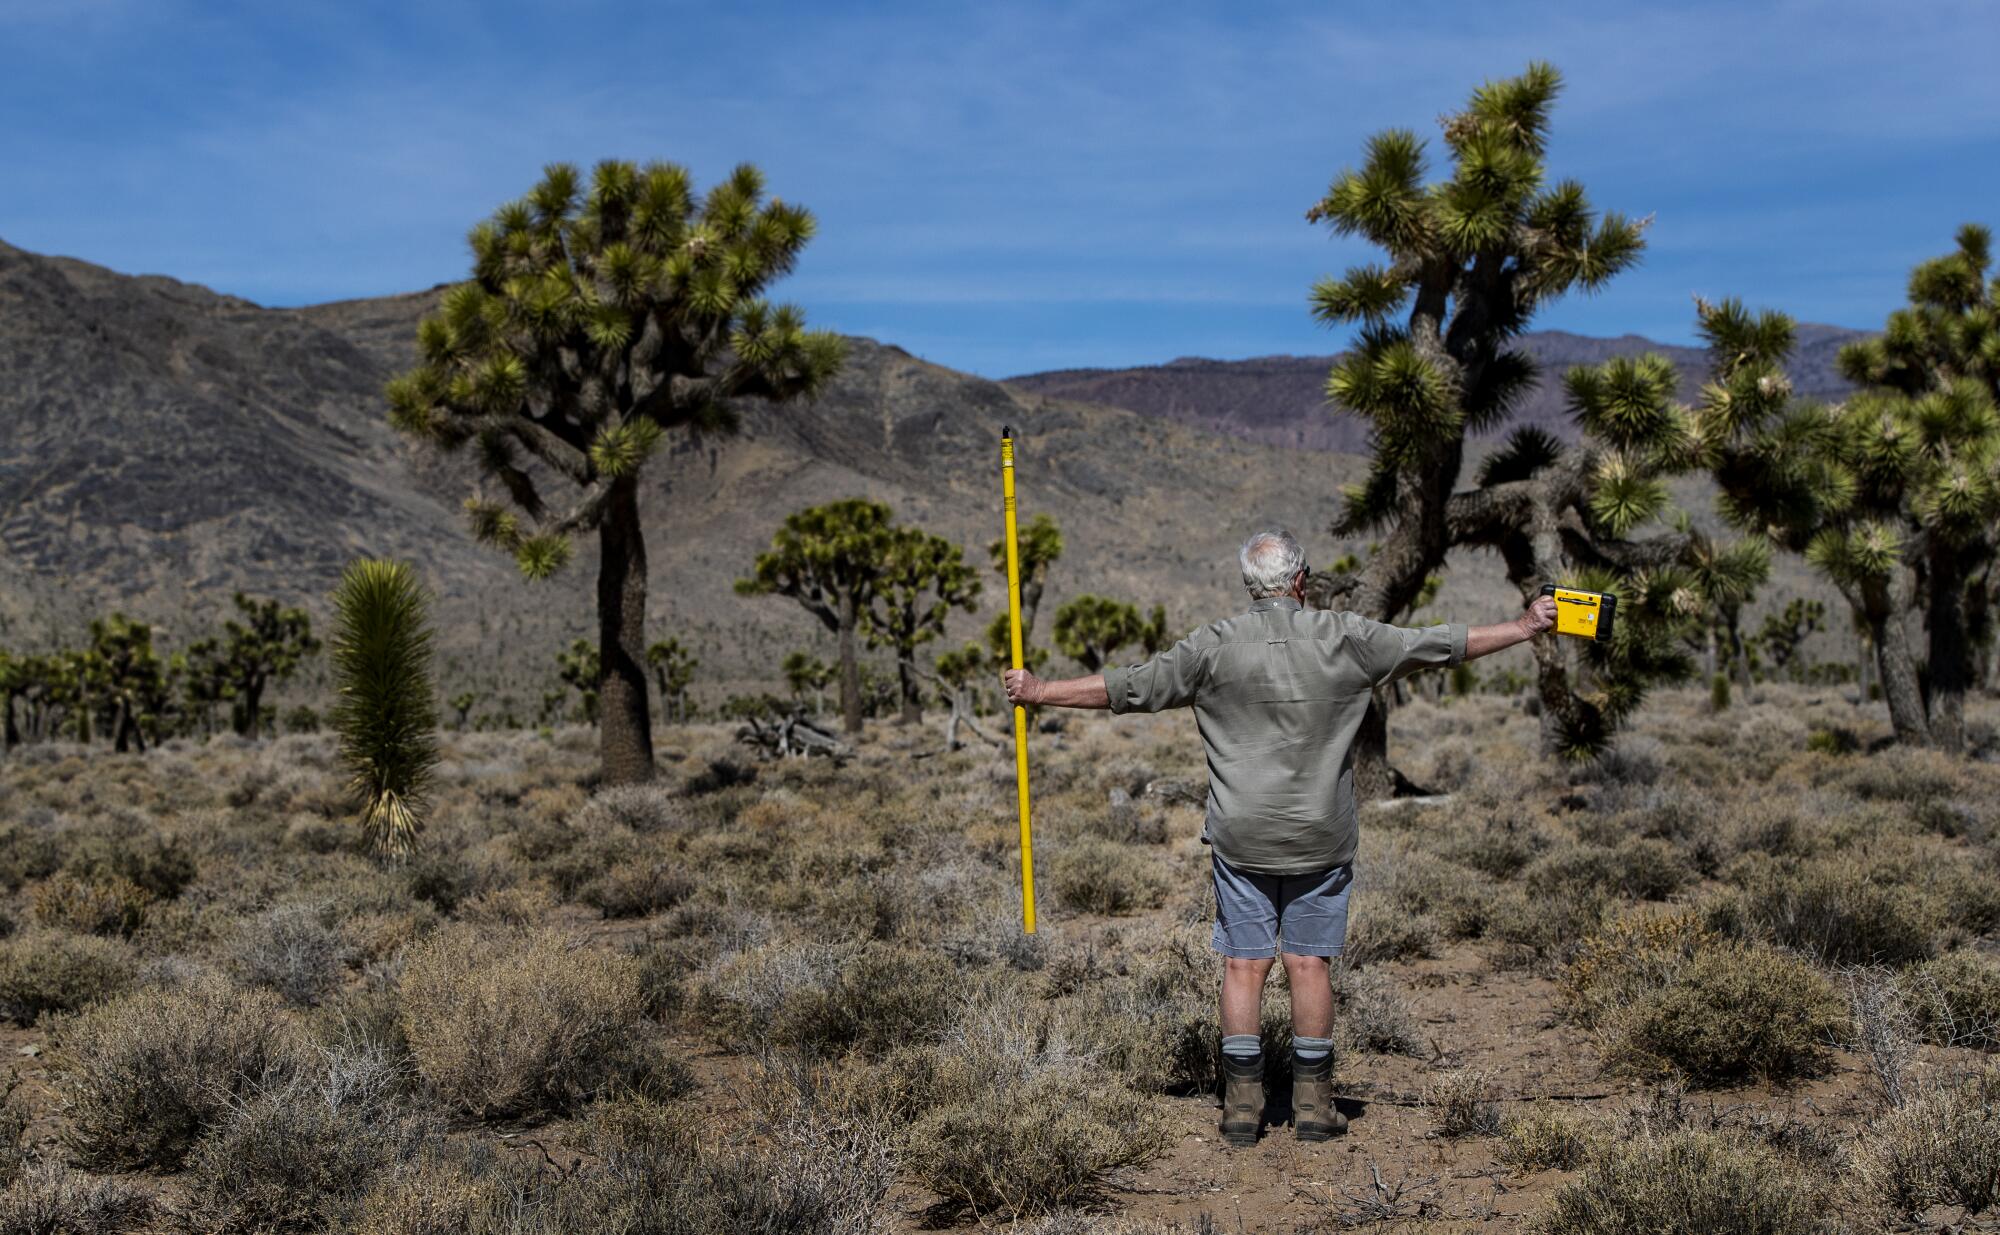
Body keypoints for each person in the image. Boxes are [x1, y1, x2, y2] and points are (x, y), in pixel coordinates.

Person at [1002, 528, 1557, 1147]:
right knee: (1307, 961)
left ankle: (1242, 1109)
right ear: (1300, 581)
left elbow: (1127, 688)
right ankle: (1314, 1108)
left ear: (1250, 585)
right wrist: (1524, 627)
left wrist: (1040, 691)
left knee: (1244, 963)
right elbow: (1442, 644)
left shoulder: (1211, 647)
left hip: (1242, 834)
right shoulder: (1348, 637)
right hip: (1321, 832)